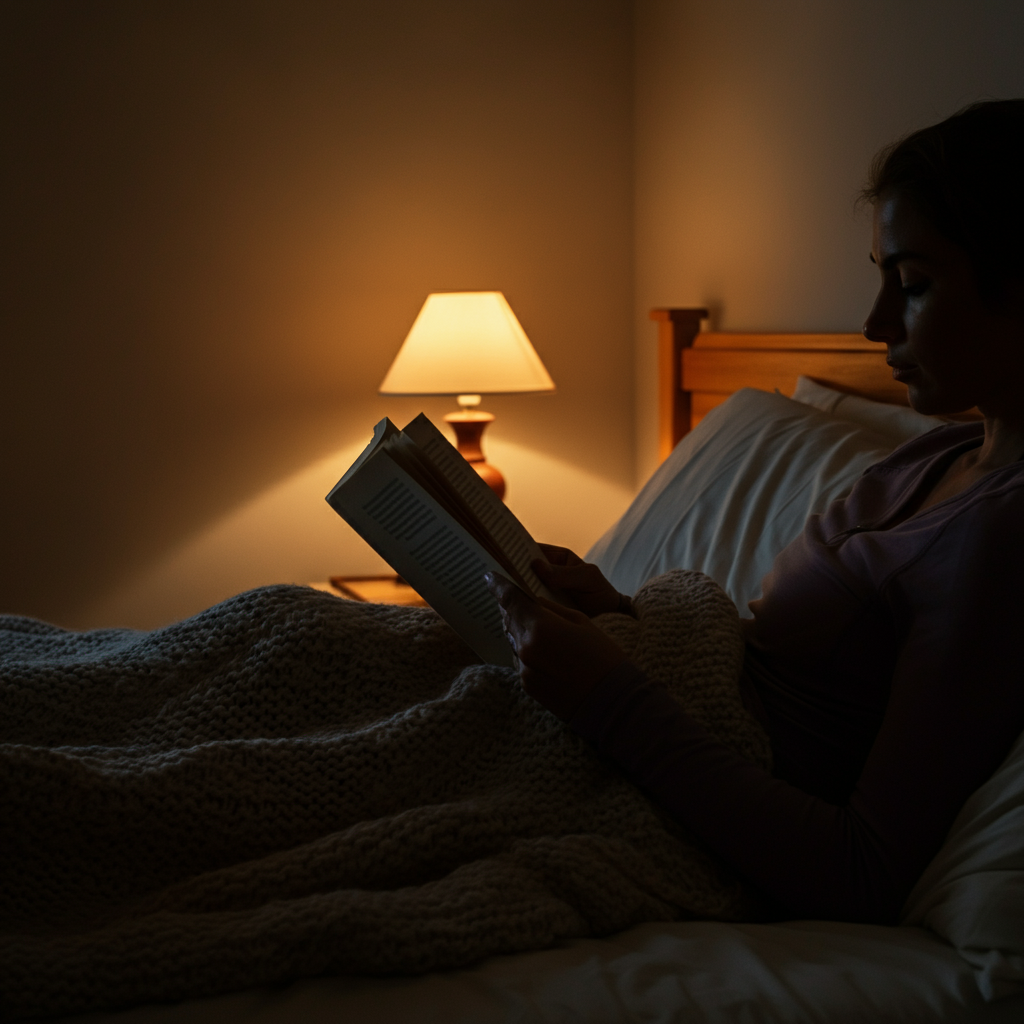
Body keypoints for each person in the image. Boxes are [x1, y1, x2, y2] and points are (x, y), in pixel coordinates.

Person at [486, 99, 1024, 925]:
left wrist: (608, 697)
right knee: (281, 629)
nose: (876, 323)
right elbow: (773, 674)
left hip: (647, 778)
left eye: (913, 285)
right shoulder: (933, 456)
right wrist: (620, 611)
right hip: (649, 711)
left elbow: (860, 870)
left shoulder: (1001, 537)